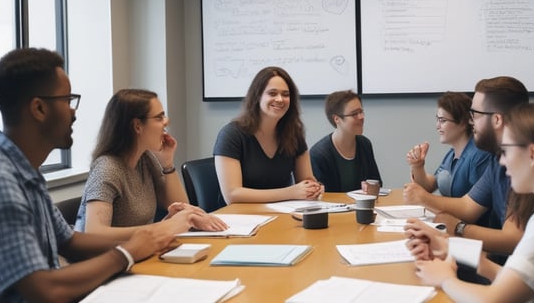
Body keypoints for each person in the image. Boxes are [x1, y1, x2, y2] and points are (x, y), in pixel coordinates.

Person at [0, 48, 180, 302]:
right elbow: (44, 290)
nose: (73, 112)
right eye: (67, 101)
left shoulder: (25, 170)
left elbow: (71, 243)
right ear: (39, 108)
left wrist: (150, 239)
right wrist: (127, 252)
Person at [406, 102, 534, 302]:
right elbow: (512, 277)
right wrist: (447, 246)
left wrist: (445, 279)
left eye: (506, 151)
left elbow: (493, 299)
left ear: (532, 154)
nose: (502, 162)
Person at [403, 77, 534, 258]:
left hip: (505, 266)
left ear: (497, 119)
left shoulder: (522, 163)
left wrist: (458, 228)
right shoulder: (497, 158)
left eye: (475, 114)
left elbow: (512, 239)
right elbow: (468, 205)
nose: (471, 122)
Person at [74, 89, 227, 240]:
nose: (166, 121)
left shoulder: (145, 159)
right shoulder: (107, 168)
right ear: (137, 126)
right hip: (107, 260)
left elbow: (179, 205)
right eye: (159, 118)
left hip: (138, 253)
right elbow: (94, 233)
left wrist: (167, 164)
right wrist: (163, 227)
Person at [213, 66, 323, 203]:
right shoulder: (231, 135)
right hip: (238, 217)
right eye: (272, 93)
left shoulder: (294, 134)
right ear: (257, 96)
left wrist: (313, 188)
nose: (280, 99)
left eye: (286, 94)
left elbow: (306, 180)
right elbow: (232, 195)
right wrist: (290, 192)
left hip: (279, 214)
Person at [406, 92, 492, 199]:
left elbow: (474, 206)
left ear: (463, 123)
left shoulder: (479, 155)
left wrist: (426, 200)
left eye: (443, 120)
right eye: (437, 120)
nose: (437, 126)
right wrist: (418, 166)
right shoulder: (451, 154)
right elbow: (428, 186)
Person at [310, 90, 381, 192]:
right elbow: (322, 195)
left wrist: (371, 187)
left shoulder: (365, 144)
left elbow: (377, 182)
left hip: (362, 206)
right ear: (337, 119)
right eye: (354, 114)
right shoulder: (319, 154)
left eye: (361, 112)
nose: (361, 117)